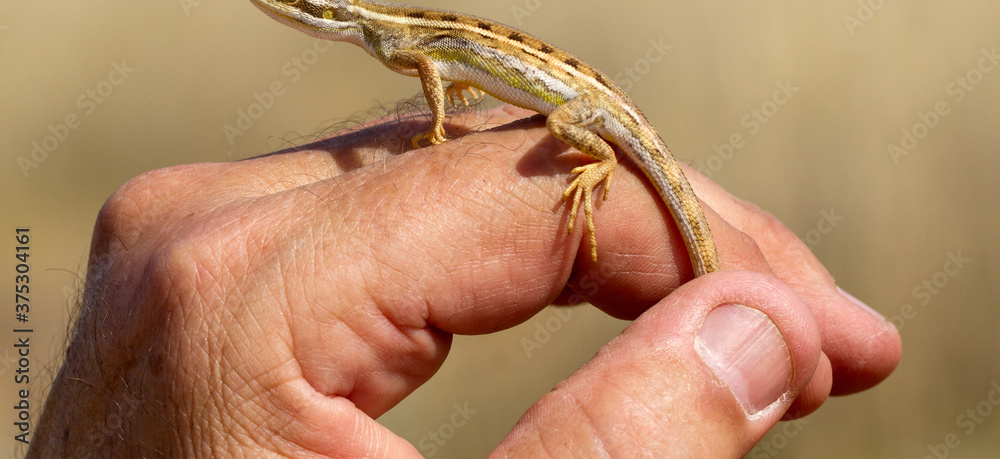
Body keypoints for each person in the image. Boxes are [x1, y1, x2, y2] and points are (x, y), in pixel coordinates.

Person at [27, 106, 900, 457]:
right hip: (591, 109)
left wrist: (452, 132)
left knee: (563, 128)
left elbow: (444, 103)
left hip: (593, 113)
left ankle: (598, 173)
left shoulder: (408, 43)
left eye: (293, 3)